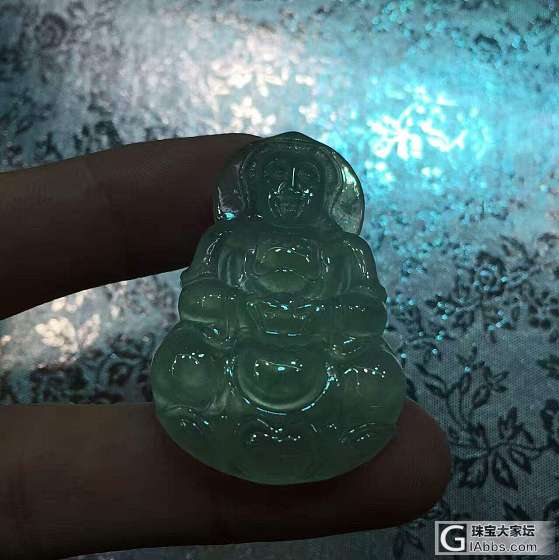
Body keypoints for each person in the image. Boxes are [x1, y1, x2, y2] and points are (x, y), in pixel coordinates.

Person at [0, 133, 451, 560]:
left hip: (319, 355)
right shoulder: (227, 239)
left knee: (374, 377)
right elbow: (198, 300)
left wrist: (321, 315)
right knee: (185, 360)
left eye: (306, 182)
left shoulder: (345, 250)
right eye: (277, 179)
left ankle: (337, 434)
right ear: (255, 189)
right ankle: (204, 423)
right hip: (238, 350)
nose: (290, 192)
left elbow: (367, 312)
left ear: (325, 195)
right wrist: (242, 310)